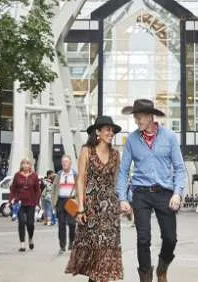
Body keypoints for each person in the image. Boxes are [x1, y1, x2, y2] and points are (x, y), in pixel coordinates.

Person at [116, 99, 186, 282]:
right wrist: (123, 198)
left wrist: (177, 193)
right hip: (141, 194)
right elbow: (123, 170)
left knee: (170, 238)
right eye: (135, 117)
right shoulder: (132, 139)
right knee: (143, 238)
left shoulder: (169, 137)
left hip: (165, 193)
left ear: (150, 116)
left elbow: (179, 168)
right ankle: (145, 278)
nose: (137, 121)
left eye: (140, 117)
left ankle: (162, 268)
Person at [66, 115, 124, 281]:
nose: (110, 133)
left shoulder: (115, 154)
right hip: (91, 210)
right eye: (107, 129)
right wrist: (80, 208)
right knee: (95, 256)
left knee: (106, 257)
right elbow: (81, 180)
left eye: (112, 130)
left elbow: (116, 181)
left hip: (110, 212)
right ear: (97, 131)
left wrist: (122, 202)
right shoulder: (87, 150)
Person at [9, 156, 40, 252]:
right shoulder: (17, 175)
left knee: (30, 223)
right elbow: (13, 189)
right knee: (21, 222)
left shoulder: (34, 176)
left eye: (27, 163)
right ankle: (22, 244)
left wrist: (37, 202)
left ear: (30, 166)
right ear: (21, 165)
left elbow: (37, 190)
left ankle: (30, 238)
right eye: (24, 163)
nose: (25, 165)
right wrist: (11, 199)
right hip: (20, 203)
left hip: (31, 203)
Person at [52, 155, 77, 254]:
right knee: (61, 225)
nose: (65, 164)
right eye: (63, 162)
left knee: (72, 224)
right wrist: (54, 202)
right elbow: (54, 189)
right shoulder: (58, 175)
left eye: (66, 162)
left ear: (70, 164)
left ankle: (71, 242)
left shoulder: (75, 175)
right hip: (61, 201)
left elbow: (80, 189)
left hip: (71, 201)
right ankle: (62, 246)